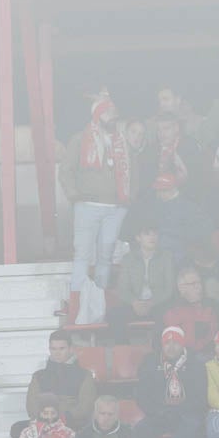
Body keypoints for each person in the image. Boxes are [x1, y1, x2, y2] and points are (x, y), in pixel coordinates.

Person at [61, 91, 131, 293]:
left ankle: (99, 299)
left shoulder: (122, 141)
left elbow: (133, 170)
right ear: (97, 115)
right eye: (108, 112)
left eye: (114, 111)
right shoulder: (80, 139)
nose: (113, 116)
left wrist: (128, 199)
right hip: (87, 207)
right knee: (82, 255)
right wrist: (74, 195)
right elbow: (66, 171)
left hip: (115, 209)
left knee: (106, 256)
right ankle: (77, 298)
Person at [136, 326, 208, 438]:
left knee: (193, 426)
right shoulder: (150, 362)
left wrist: (181, 410)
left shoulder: (196, 363)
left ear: (182, 344)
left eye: (175, 343)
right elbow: (141, 394)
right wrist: (157, 411)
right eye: (167, 343)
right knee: (142, 428)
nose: (171, 347)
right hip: (159, 413)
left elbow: (200, 396)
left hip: (186, 414)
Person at [110, 220, 175, 334]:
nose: (152, 237)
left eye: (155, 233)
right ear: (138, 238)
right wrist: (134, 302)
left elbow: (169, 288)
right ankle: (123, 348)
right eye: (147, 234)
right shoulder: (128, 259)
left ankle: (158, 348)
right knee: (114, 315)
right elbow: (122, 289)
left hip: (157, 304)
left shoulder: (166, 257)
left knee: (168, 314)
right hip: (134, 305)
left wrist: (152, 302)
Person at [27, 330, 99, 433]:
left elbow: (85, 407)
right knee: (17, 428)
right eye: (53, 349)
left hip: (72, 423)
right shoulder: (38, 376)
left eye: (62, 348)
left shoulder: (84, 375)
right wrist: (44, 419)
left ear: (70, 349)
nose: (57, 353)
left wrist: (62, 418)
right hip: (43, 422)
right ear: (49, 349)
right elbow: (31, 405)